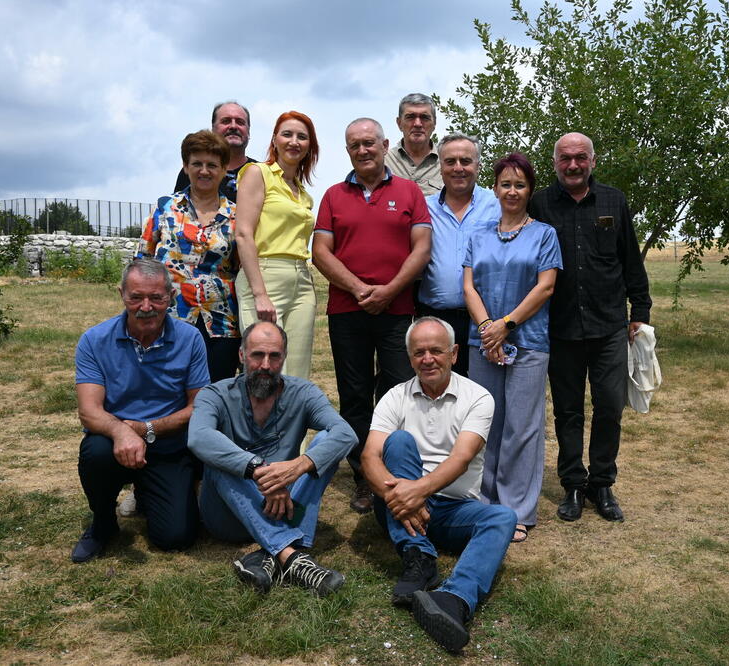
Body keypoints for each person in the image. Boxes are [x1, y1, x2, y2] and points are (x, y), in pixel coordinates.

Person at [362, 317, 515, 653]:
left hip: (451, 507)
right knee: (399, 442)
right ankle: (419, 559)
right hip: (398, 501)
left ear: (454, 353)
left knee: (503, 518)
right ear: (409, 357)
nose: (427, 359)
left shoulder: (478, 398)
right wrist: (398, 495)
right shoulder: (394, 397)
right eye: (419, 352)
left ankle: (453, 600)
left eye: (436, 351)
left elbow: (462, 458)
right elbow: (370, 457)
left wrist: (417, 492)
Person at [528, 132, 652, 523]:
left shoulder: (614, 200)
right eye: (565, 158)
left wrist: (641, 310)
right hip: (560, 328)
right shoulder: (539, 203)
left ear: (593, 161)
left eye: (580, 157)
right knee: (567, 412)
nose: (573, 165)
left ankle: (602, 483)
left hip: (609, 327)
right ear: (555, 163)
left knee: (610, 408)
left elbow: (630, 258)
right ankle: (572, 486)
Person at [312, 117, 432, 514]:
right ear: (347, 151)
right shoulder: (332, 195)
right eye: (354, 145)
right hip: (348, 310)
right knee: (355, 394)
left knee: (398, 391)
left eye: (369, 143)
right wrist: (359, 288)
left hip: (397, 310)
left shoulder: (409, 191)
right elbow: (321, 252)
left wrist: (390, 289)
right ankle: (364, 476)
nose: (363, 150)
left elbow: (421, 248)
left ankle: (396, 469)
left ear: (384, 145)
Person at [188, 321, 357, 595]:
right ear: (242, 355)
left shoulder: (303, 393)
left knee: (328, 442)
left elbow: (346, 435)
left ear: (284, 357)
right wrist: (257, 469)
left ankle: (269, 556)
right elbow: (198, 437)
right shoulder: (215, 394)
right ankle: (293, 557)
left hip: (284, 509)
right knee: (218, 455)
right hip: (227, 517)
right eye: (257, 355)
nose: (265, 365)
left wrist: (296, 467)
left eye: (274, 356)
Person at [71, 258, 209, 563]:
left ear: (171, 297)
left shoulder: (191, 339)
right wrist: (122, 431)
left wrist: (147, 429)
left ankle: (148, 491)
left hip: (170, 446)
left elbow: (199, 407)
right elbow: (89, 411)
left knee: (176, 538)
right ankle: (103, 524)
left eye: (156, 297)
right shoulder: (94, 340)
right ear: (121, 294)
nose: (146, 306)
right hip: (114, 444)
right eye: (136, 297)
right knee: (95, 451)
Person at [462, 153, 562, 544]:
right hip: (482, 342)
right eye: (505, 184)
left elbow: (546, 287)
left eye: (520, 184)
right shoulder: (479, 234)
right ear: (495, 188)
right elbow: (469, 286)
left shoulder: (544, 234)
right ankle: (485, 506)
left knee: (522, 428)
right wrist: (487, 328)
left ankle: (516, 511)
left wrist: (506, 325)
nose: (512, 191)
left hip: (529, 343)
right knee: (487, 423)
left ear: (530, 190)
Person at [138, 129, 240, 383]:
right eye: (197, 163)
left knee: (215, 393)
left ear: (224, 169)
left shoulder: (238, 216)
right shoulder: (165, 208)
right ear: (185, 167)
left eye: (212, 165)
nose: (204, 171)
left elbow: (241, 267)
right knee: (168, 389)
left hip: (219, 322)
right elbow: (142, 260)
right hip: (168, 317)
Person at [234, 111, 320, 379]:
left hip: (301, 280)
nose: (294, 141)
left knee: (296, 371)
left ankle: (294, 422)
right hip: (265, 275)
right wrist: (260, 293)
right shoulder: (257, 173)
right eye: (287, 134)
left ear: (309, 147)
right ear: (275, 139)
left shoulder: (302, 193)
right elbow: (244, 234)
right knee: (266, 367)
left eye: (302, 137)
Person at [419, 133, 501, 376]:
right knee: (436, 392)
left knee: (481, 393)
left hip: (486, 319)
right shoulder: (423, 207)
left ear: (478, 165)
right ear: (440, 166)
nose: (458, 168)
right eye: (450, 161)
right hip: (436, 318)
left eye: (465, 161)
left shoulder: (497, 204)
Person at [174, 101, 257, 201]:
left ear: (248, 130)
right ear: (213, 128)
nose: (233, 126)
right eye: (226, 121)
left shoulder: (262, 173)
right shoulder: (193, 172)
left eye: (240, 122)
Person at [383, 93, 442, 196]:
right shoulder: (383, 162)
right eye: (410, 117)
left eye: (424, 117)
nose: (418, 124)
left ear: (434, 123)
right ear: (399, 123)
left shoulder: (448, 162)